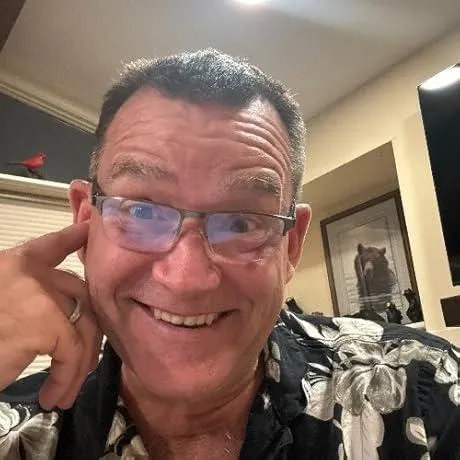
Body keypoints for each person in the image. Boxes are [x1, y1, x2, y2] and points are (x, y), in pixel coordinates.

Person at [0, 49, 458, 460]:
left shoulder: (425, 390)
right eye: (142, 210)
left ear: (290, 244)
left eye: (241, 222)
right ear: (85, 222)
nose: (186, 278)